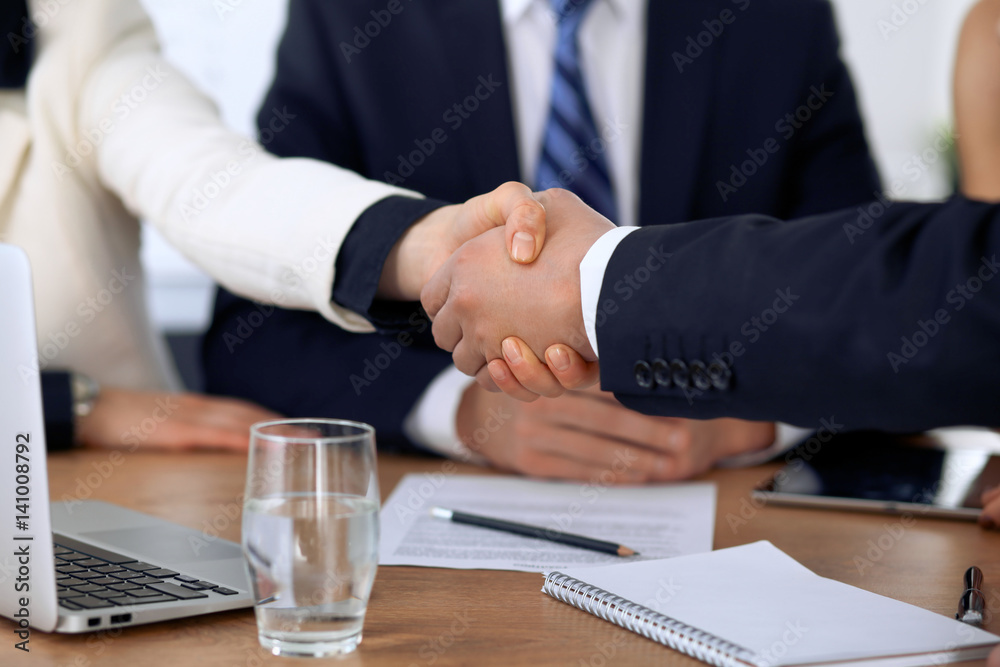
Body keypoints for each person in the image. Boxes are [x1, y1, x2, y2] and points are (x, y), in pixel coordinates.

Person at [203, 0, 881, 479]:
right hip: (448, 531)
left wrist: (746, 416)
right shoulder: (351, 17)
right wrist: (463, 412)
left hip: (721, 514)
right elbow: (251, 333)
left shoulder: (777, 17)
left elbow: (870, 294)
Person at [0, 0, 543, 450]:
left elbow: (215, 185)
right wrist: (65, 405)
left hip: (111, 510)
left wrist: (428, 243)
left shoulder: (69, 30)